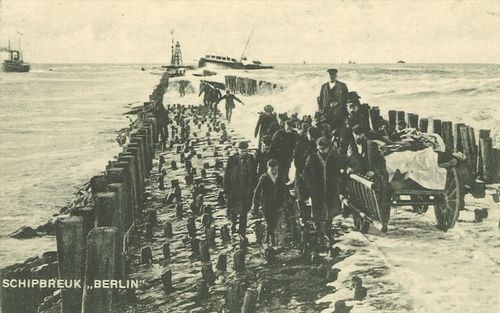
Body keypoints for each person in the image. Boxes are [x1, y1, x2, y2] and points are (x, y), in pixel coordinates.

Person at [303, 137, 342, 237]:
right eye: (320, 149)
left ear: (328, 148)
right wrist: (310, 186)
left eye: (324, 148)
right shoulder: (312, 157)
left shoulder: (333, 157)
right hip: (317, 189)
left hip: (330, 188)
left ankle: (327, 230)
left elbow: (338, 169)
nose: (322, 151)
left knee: (330, 210)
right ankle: (319, 232)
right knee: (318, 211)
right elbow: (305, 173)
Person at [223, 141, 257, 237]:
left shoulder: (251, 159)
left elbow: (254, 174)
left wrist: (253, 188)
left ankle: (242, 232)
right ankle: (233, 224)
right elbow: (226, 175)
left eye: (246, 151)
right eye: (242, 151)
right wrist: (226, 190)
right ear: (238, 150)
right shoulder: (232, 159)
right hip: (235, 190)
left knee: (244, 212)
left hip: (246, 190)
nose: (244, 153)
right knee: (233, 209)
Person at [252, 159, 289, 246]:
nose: (274, 171)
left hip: (277, 203)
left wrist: (287, 200)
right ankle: (270, 241)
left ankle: (269, 239)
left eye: (275, 169)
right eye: (271, 169)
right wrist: (255, 205)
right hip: (266, 204)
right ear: (268, 168)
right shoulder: (264, 178)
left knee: (274, 222)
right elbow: (257, 192)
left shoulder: (280, 177)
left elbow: (285, 189)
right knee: (269, 222)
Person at [293, 125, 320, 221]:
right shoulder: (300, 143)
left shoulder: (316, 143)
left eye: (314, 137)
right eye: (311, 137)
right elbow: (296, 159)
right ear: (307, 134)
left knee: (313, 193)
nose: (312, 139)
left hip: (312, 173)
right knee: (301, 194)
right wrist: (301, 171)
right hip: (301, 172)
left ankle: (314, 217)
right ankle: (303, 217)